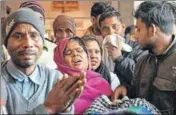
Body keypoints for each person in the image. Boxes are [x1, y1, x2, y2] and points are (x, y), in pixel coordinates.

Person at [1, 8, 86, 114]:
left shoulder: (55, 79)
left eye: (34, 36)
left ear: (43, 42)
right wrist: (48, 108)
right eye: (18, 36)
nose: (28, 43)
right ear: (6, 43)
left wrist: (65, 107)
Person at [112, 1, 176, 115]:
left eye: (138, 29)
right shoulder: (142, 61)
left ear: (152, 29)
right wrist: (125, 89)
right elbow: (137, 95)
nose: (135, 35)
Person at [54, 36, 112, 114]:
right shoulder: (56, 82)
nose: (75, 54)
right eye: (68, 52)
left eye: (79, 50)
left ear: (87, 56)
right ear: (60, 60)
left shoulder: (101, 82)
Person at [98, 8, 145, 85]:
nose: (111, 32)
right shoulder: (99, 52)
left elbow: (141, 77)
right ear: (101, 32)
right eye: (105, 29)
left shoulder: (137, 48)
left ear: (123, 27)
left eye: (115, 27)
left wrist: (119, 59)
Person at [20, 1, 57, 69]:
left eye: (40, 18)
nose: (37, 22)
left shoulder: (55, 49)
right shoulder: (7, 50)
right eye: (32, 17)